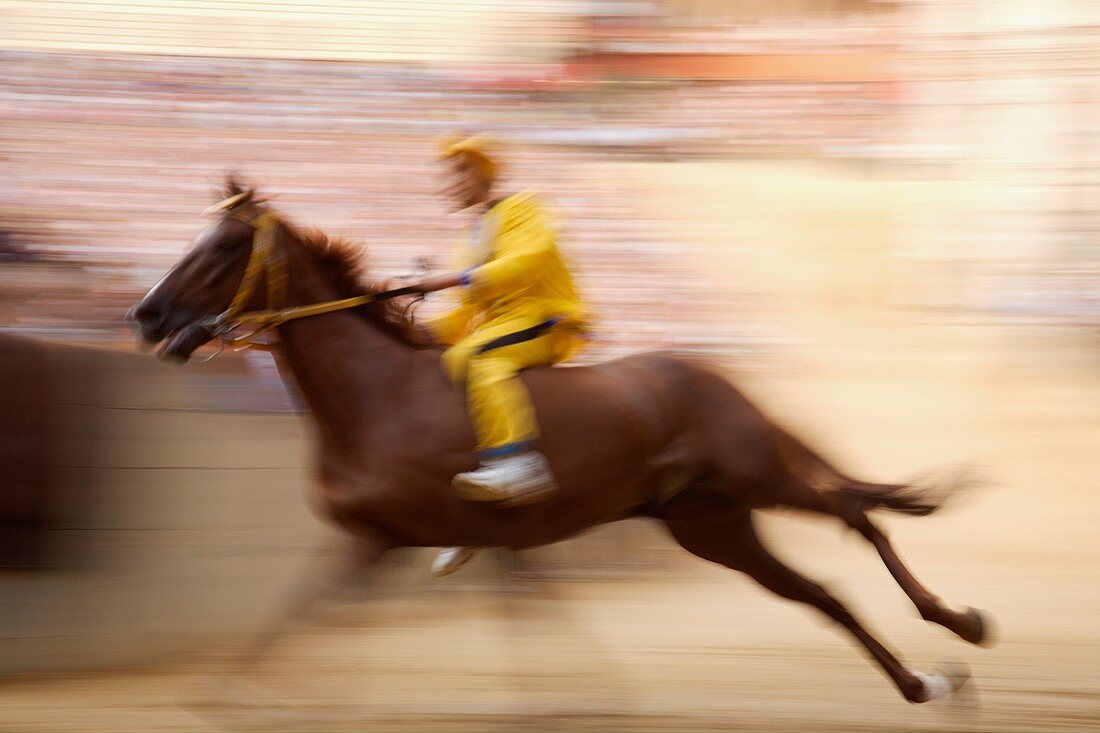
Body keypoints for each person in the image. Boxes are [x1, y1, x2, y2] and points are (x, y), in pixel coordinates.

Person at [410, 136, 589, 576]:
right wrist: (415, 332)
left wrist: (450, 279)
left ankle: (519, 465)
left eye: (458, 172)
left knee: (477, 359)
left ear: (483, 173)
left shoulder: (524, 207)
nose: (448, 184)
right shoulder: (470, 237)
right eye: (447, 175)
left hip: (542, 318)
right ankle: (472, 522)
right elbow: (467, 312)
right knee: (446, 367)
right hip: (500, 325)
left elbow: (527, 262)